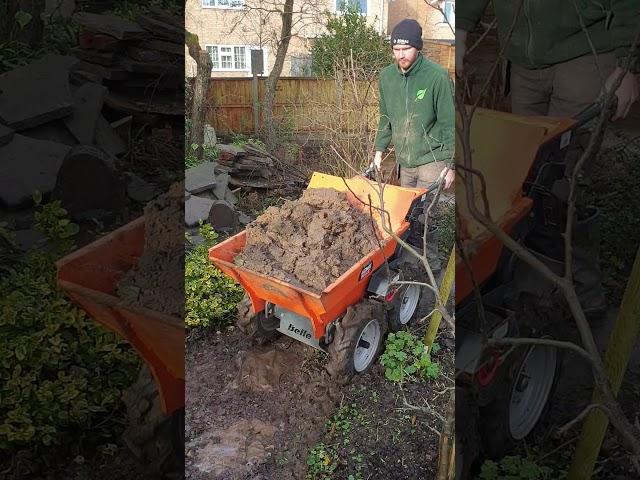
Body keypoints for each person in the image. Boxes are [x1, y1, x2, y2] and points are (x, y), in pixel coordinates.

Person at [456, 2, 640, 318]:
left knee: (561, 181)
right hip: (523, 59)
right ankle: (525, 284)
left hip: (583, 50)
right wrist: (459, 29)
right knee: (521, 181)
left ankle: (582, 293)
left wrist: (628, 66)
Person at [373, 18, 456, 191]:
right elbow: (385, 118)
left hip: (432, 159)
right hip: (405, 162)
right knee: (407, 213)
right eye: (396, 50)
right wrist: (379, 151)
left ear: (418, 47)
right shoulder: (387, 77)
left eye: (406, 49)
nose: (401, 55)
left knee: (423, 213)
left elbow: (450, 123)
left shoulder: (437, 76)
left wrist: (450, 165)